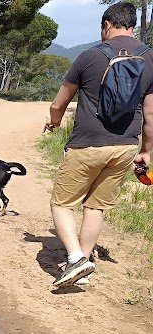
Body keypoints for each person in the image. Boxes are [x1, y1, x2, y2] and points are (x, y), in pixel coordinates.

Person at [44, 1, 153, 287]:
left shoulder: (89, 56)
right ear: (132, 25)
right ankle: (84, 264)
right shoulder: (149, 58)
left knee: (62, 203)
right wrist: (145, 151)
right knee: (95, 207)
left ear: (106, 24)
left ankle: (76, 259)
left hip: (87, 144)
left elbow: (58, 104)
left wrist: (54, 123)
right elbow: (151, 114)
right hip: (125, 147)